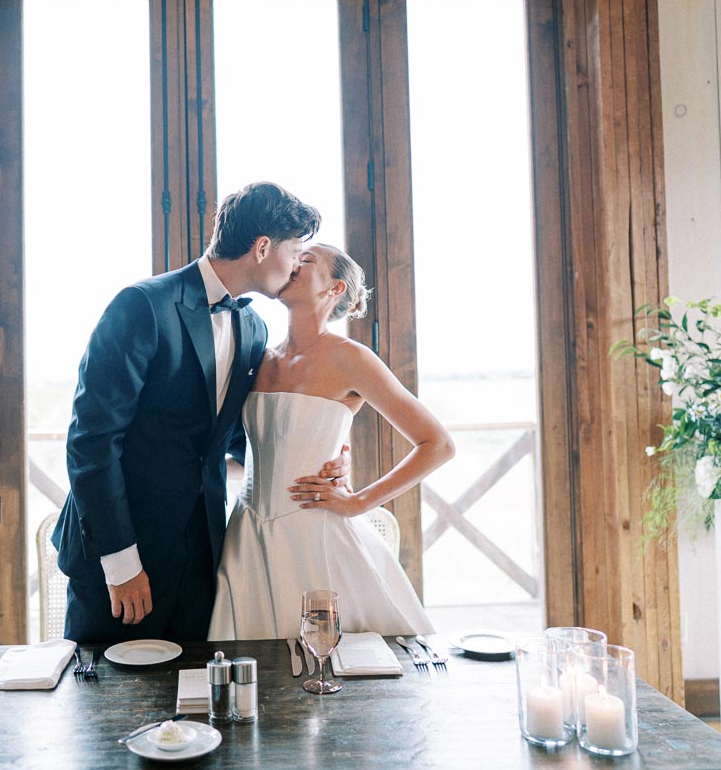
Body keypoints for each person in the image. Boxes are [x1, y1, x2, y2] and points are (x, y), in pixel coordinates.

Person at [52, 183, 349, 643]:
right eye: (294, 251)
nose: (295, 264)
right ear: (262, 247)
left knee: (198, 703)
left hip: (208, 555)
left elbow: (233, 434)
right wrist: (121, 563)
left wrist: (317, 459)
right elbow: (91, 443)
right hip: (123, 558)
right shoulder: (142, 306)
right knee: (108, 706)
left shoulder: (253, 327)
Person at [208, 243, 456, 640]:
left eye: (305, 261)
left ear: (335, 289)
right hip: (248, 536)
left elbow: (438, 444)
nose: (292, 264)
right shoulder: (260, 356)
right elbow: (251, 445)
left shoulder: (351, 359)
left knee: (338, 665)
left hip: (315, 535)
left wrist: (357, 502)